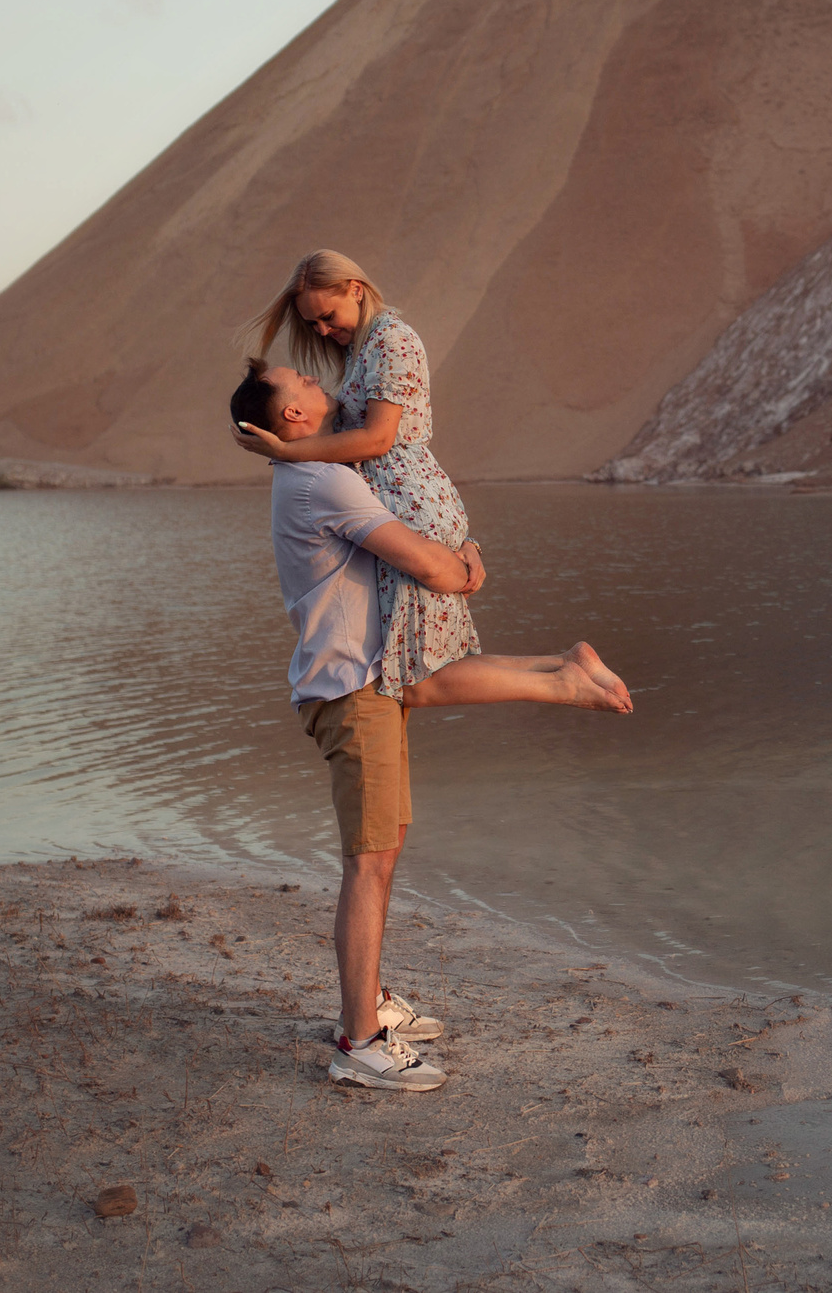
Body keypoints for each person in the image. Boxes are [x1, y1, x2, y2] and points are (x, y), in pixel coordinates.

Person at [232, 356, 629, 1093]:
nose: (321, 386)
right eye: (305, 385)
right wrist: (468, 563)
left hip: (365, 681)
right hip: (352, 689)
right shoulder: (323, 480)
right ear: (290, 416)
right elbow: (431, 567)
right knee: (370, 857)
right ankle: (359, 1040)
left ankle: (371, 1000)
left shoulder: (307, 472)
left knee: (384, 843)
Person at [233, 249, 629, 712]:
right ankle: (564, 664)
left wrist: (285, 451)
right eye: (312, 324)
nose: (321, 330)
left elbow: (379, 439)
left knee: (421, 678)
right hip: (407, 503)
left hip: (408, 506)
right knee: (435, 665)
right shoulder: (364, 347)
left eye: (326, 316)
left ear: (355, 290)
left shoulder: (390, 341)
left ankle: (563, 682)